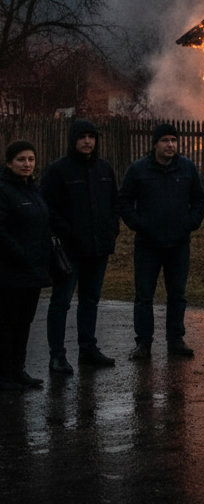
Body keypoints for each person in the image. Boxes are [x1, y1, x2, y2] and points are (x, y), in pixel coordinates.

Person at [118, 123, 204, 359]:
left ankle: (175, 339)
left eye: (173, 140)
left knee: (177, 294)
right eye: (165, 140)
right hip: (148, 244)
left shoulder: (186, 168)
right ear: (155, 144)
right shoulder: (139, 170)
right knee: (144, 296)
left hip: (178, 244)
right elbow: (124, 201)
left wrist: (190, 223)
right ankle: (144, 343)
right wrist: (139, 224)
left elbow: (200, 199)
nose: (170, 145)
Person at [39, 119, 120, 374]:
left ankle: (88, 348)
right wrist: (68, 234)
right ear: (73, 140)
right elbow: (47, 208)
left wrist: (111, 230)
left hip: (98, 248)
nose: (87, 141)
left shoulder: (105, 169)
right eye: (82, 136)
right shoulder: (58, 171)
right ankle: (57, 355)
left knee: (90, 300)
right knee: (61, 301)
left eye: (91, 136)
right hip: (69, 250)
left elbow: (114, 203)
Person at [0, 141, 52, 392]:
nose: (27, 164)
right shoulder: (3, 190)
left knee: (24, 322)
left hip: (32, 270)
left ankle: (18, 370)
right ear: (9, 163)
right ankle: (4, 375)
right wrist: (19, 253)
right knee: (7, 323)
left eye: (31, 159)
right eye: (21, 159)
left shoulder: (32, 188)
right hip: (10, 271)